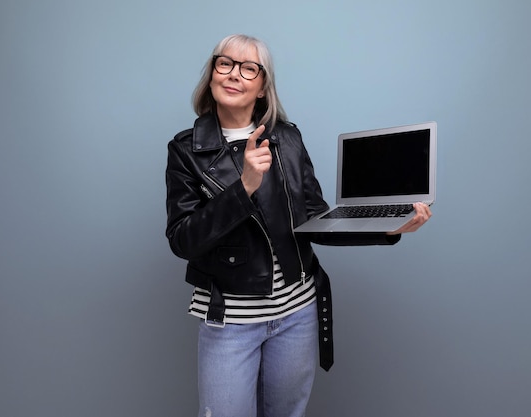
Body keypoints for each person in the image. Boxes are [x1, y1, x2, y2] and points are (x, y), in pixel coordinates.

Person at [165, 34, 431, 417]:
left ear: (262, 87)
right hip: (231, 322)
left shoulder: (287, 139)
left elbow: (314, 219)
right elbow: (183, 240)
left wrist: (387, 229)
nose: (234, 74)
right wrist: (244, 188)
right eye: (224, 64)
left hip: (297, 314)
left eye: (248, 68)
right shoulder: (185, 150)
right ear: (211, 75)